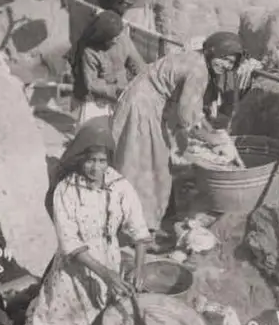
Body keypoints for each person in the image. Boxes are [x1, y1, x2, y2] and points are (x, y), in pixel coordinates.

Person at [110, 31, 262, 246]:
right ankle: (139, 232)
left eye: (232, 62)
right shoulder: (198, 71)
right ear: (212, 51)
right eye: (224, 58)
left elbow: (194, 112)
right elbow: (187, 119)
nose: (227, 65)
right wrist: (216, 141)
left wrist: (214, 134)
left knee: (151, 165)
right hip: (143, 108)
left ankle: (144, 221)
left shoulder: (197, 59)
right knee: (147, 169)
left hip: (143, 101)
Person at [26, 117, 151, 325]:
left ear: (109, 161)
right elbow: (69, 241)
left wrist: (139, 269)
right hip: (73, 268)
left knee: (107, 322)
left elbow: (139, 230)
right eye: (90, 160)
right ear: (80, 159)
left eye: (102, 161)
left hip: (109, 261)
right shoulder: (66, 189)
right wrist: (105, 274)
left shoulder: (120, 187)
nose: (96, 168)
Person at [71, 10, 146, 128]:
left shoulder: (122, 39)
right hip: (96, 98)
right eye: (112, 38)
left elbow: (137, 64)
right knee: (94, 134)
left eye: (117, 36)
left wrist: (143, 82)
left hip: (122, 93)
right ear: (103, 36)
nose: (116, 40)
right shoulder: (89, 51)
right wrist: (115, 90)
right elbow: (91, 84)